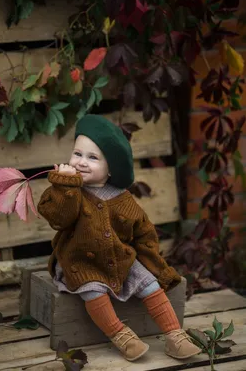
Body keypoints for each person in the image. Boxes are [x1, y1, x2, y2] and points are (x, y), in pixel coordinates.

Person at [38, 114, 201, 362]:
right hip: (79, 259)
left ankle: (174, 335)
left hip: (119, 256)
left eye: (92, 157)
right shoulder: (67, 189)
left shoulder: (122, 198)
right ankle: (121, 335)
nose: (81, 162)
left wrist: (155, 264)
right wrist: (64, 185)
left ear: (111, 168)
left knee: (149, 283)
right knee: (92, 289)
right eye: (77, 154)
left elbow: (142, 233)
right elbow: (59, 217)